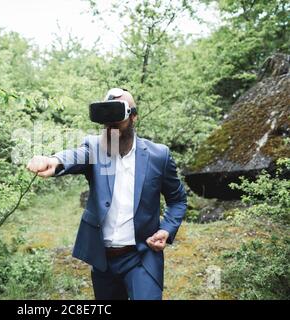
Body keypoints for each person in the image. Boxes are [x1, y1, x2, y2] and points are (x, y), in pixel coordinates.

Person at [26, 88, 187, 300]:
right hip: (103, 261)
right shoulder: (95, 148)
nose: (111, 128)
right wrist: (54, 161)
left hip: (141, 256)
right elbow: (75, 156)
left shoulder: (159, 156)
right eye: (106, 122)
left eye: (117, 120)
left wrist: (166, 230)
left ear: (134, 117)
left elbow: (177, 200)